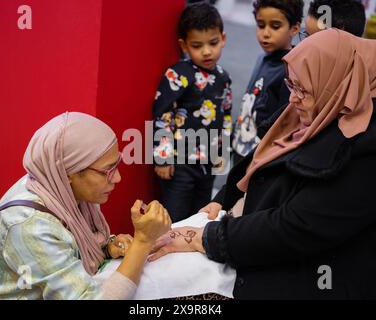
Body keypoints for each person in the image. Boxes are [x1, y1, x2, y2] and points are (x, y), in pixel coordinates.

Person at [149, 29, 376, 299]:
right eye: (291, 85)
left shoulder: (363, 149)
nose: (292, 99)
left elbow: (297, 226)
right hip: (250, 241)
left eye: (303, 89)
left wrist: (207, 238)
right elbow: (260, 158)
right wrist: (223, 199)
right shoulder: (320, 106)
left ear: (336, 82)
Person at [0, 112, 171, 299]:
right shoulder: (30, 226)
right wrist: (143, 241)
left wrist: (107, 248)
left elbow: (70, 244)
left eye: (117, 165)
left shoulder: (58, 187)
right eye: (107, 171)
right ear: (68, 173)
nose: (118, 178)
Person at [152, 2, 232, 222]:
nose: (207, 51)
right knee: (174, 217)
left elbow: (225, 115)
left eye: (213, 43)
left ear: (222, 39)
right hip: (180, 164)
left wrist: (222, 152)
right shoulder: (178, 75)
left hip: (206, 165)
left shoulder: (224, 77)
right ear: (185, 45)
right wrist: (162, 157)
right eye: (197, 45)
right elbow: (162, 114)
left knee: (201, 216)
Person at [232, 0, 303, 163]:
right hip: (240, 147)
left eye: (275, 26)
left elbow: (284, 125)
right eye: (261, 25)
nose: (265, 33)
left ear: (294, 28)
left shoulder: (290, 72)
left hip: (259, 159)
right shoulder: (262, 58)